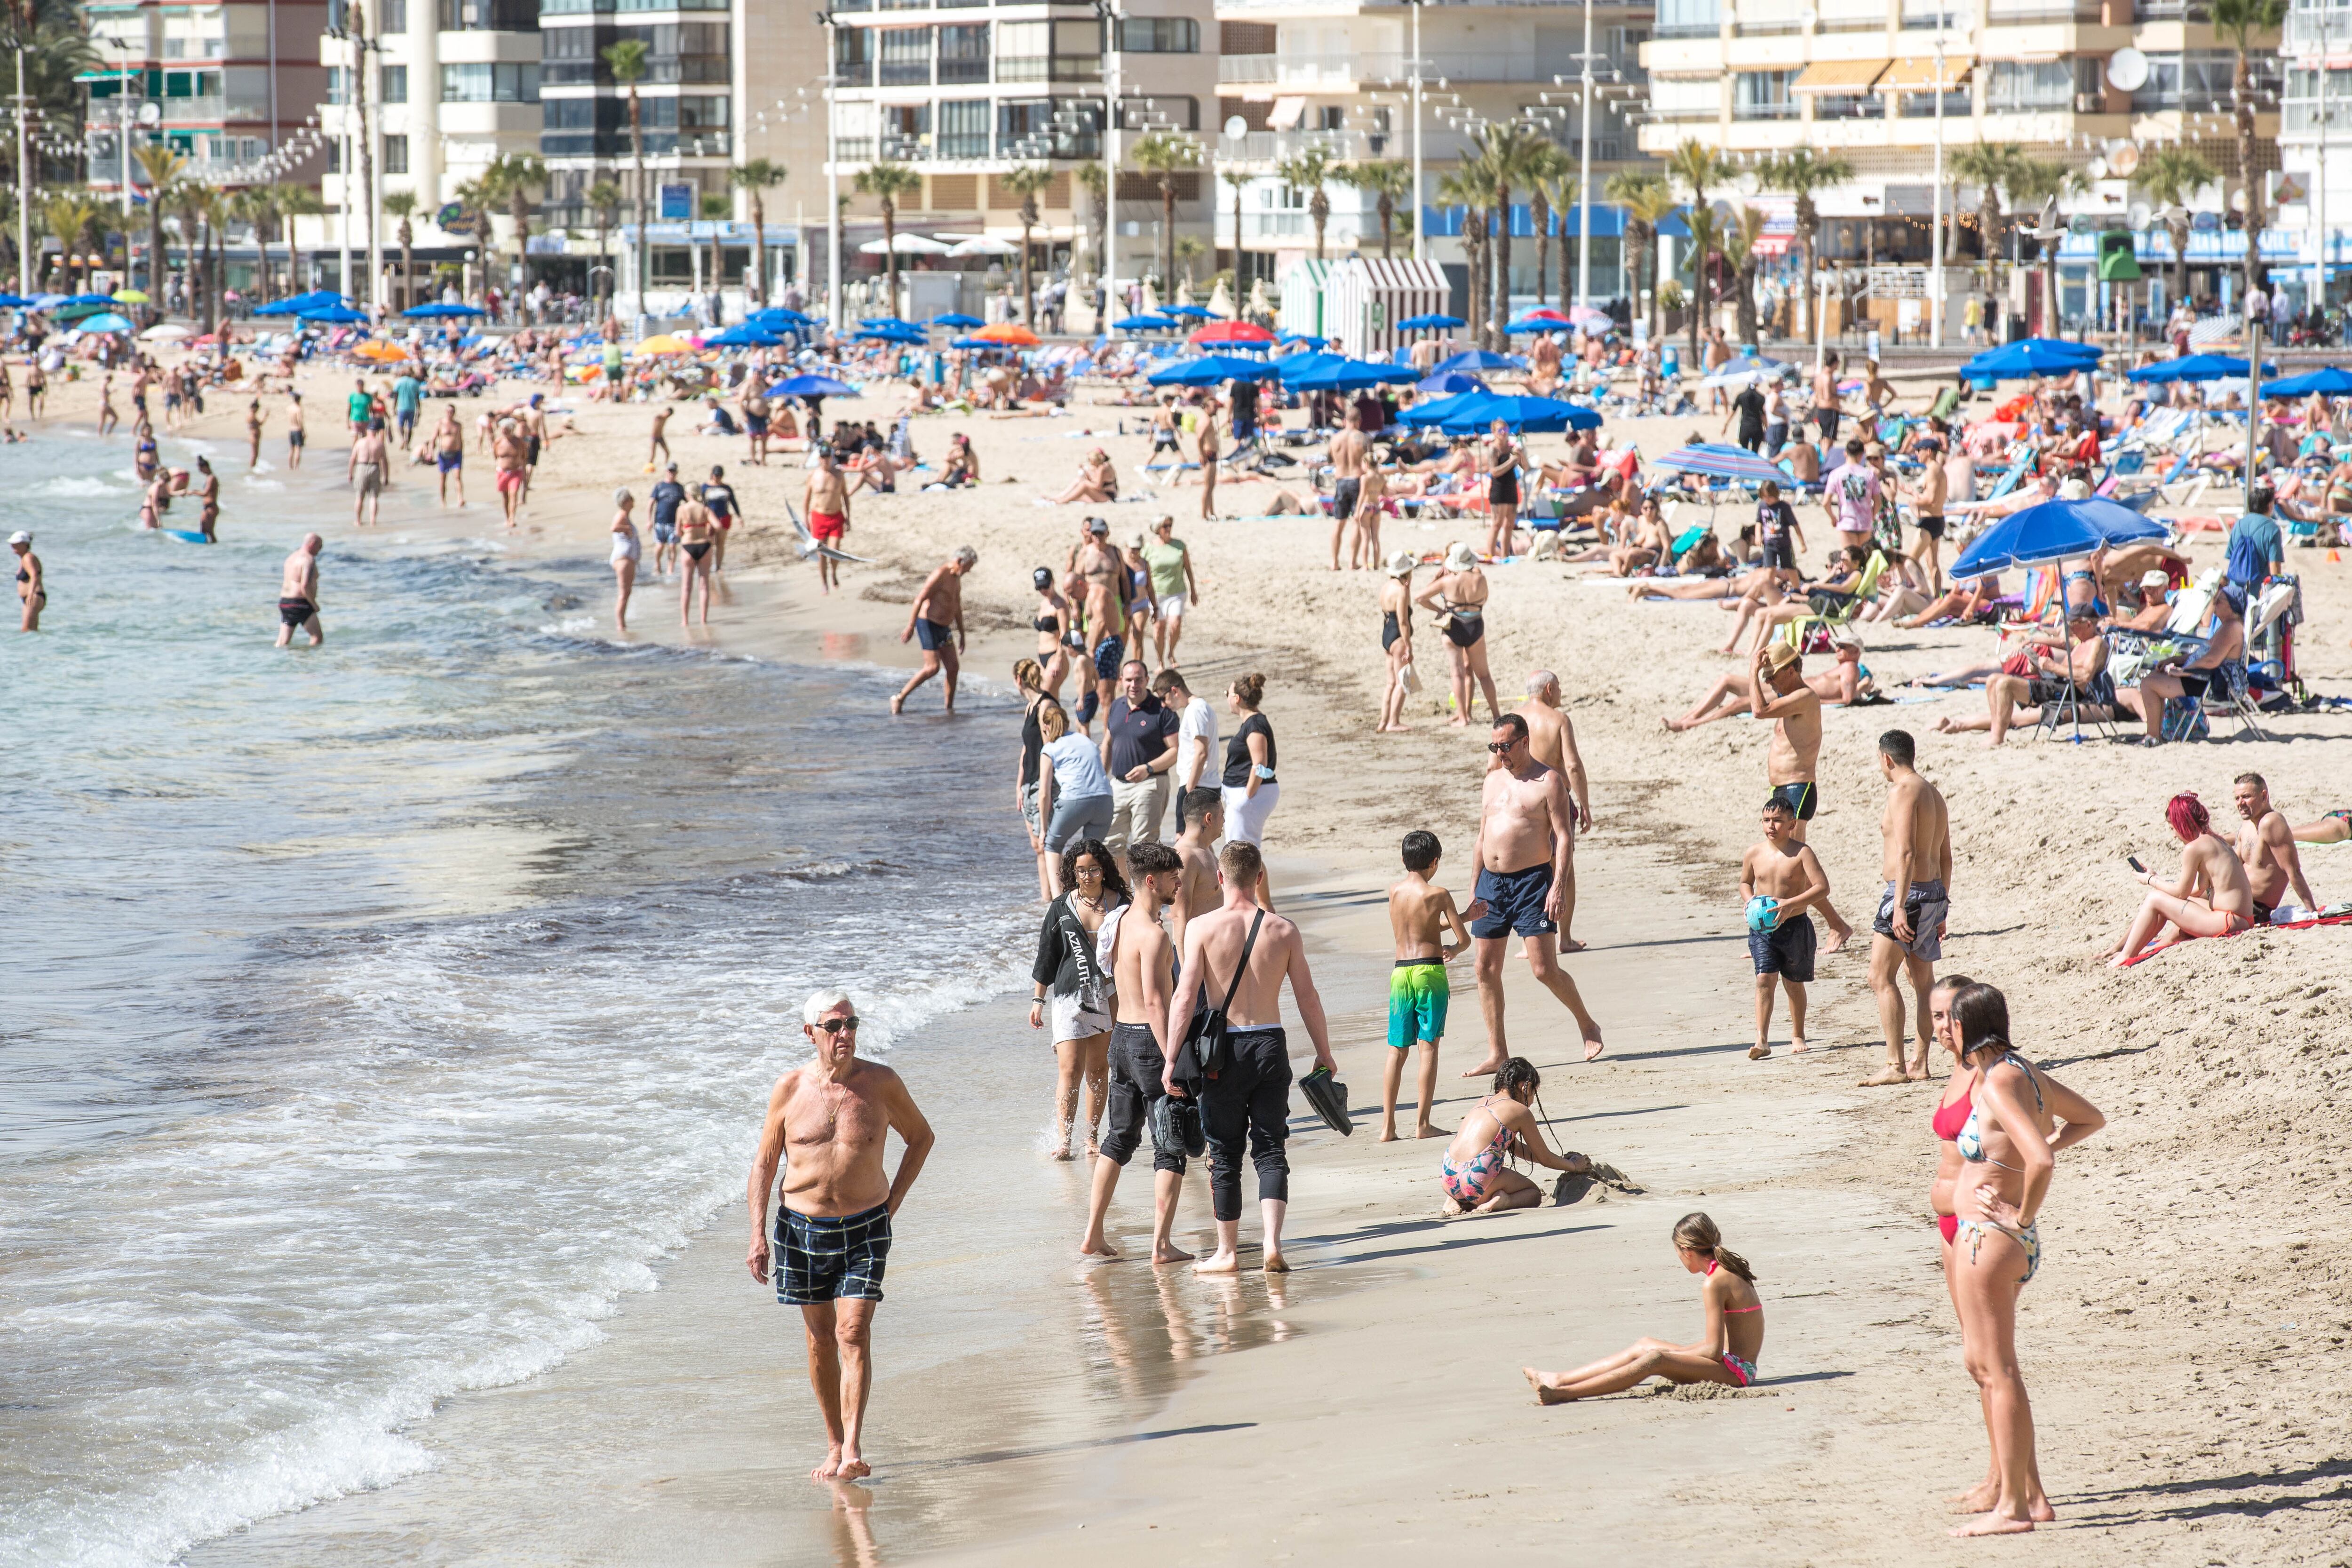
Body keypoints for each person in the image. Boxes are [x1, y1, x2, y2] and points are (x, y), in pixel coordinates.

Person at [743, 991, 935, 1483]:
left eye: (851, 1023)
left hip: (866, 1226)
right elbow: (765, 1164)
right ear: (811, 1033)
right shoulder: (788, 1089)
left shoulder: (881, 1083)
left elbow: (921, 1137)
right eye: (833, 1026)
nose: (845, 1033)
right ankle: (832, 1443)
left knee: (852, 1332)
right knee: (819, 1340)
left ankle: (852, 1447)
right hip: (801, 1228)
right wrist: (757, 1235)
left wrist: (892, 1205)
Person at [1941, 983, 2098, 1536]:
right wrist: (2026, 1168)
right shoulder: (2022, 1070)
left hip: (1991, 1236)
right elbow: (2088, 1119)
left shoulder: (1999, 1080)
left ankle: (2013, 1508)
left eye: (1949, 1024)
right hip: (2000, 1239)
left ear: (1967, 1027)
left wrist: (2020, 1213)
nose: (1945, 1033)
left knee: (1995, 1370)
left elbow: (2038, 1159)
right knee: (1988, 1366)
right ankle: (2030, 1497)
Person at [1163, 839, 1336, 1274]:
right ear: (1259, 877)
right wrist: (1324, 1052)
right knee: (1271, 1148)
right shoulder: (1283, 929)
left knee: (1224, 1153)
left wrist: (1170, 1059)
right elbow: (1307, 997)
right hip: (1271, 1044)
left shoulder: (1201, 929)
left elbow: (1185, 998)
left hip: (1224, 1052)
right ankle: (1272, 1244)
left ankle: (1227, 1253)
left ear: (1220, 878)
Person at [1465, 713, 1605, 1070]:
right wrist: (1473, 888)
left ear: (1524, 742)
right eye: (1494, 746)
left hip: (1532, 883)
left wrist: (1557, 885)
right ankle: (1497, 1052)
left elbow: (1564, 837)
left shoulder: (1548, 781)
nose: (1500, 753)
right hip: (1491, 885)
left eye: (1506, 746)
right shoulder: (1492, 780)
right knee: (1485, 967)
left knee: (1543, 968)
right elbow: (1482, 836)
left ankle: (1587, 1023)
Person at [1080, 841, 1191, 1261]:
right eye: (1172, 877)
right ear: (1151, 881)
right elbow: (1157, 1003)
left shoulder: (1121, 919)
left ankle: (1093, 1234)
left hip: (1121, 1037)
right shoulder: (1156, 935)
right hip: (1149, 1039)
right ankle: (1161, 1245)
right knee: (1170, 1142)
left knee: (1119, 1139)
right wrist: (1171, 1062)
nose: (1179, 883)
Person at [1523, 1213, 1764, 1401]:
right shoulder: (1725, 1270)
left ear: (1687, 1251)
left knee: (1655, 1359)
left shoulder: (1714, 1282)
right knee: (1646, 1345)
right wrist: (1674, 1355)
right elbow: (1715, 1348)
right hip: (1729, 1362)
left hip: (1737, 1373)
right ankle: (1559, 1379)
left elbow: (1712, 1351)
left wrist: (1668, 1357)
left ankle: (1565, 1393)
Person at [1863, 730, 1952, 1086]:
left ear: (1886, 759)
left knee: (1880, 976)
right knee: (1922, 981)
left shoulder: (1902, 791)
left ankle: (1895, 1064)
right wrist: (1942, 906)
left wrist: (1898, 905)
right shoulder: (1934, 793)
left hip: (1908, 894)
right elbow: (1946, 858)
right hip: (1932, 894)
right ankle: (1921, 1062)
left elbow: (1906, 853)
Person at [1028, 838, 1125, 1160]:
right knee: (1070, 1069)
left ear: (1104, 869)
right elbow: (1047, 955)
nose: (1088, 876)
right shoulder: (1061, 906)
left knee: (1099, 1070)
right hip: (1070, 995)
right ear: (1073, 872)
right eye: (1081, 871)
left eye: (1094, 869)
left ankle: (1092, 1137)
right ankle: (1065, 1139)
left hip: (1108, 993)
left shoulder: (1120, 902)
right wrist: (1037, 1000)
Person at [1385, 830, 1479, 1142]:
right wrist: (1455, 946)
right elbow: (1463, 939)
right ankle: (1423, 1124)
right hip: (1430, 974)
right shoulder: (1439, 894)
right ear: (1434, 862)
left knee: (1397, 1051)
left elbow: (1418, 924)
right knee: (1428, 1048)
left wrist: (1461, 916)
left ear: (1403, 860)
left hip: (1401, 974)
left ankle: (1388, 1127)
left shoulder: (1394, 892)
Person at [2105, 792, 2259, 964]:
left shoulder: (2194, 848)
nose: (2174, 835)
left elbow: (2181, 894)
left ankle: (2125, 956)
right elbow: (2199, 889)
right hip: (2242, 919)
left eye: (2172, 828)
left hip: (2229, 921)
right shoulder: (2215, 840)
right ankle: (2126, 949)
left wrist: (2150, 881)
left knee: (2154, 898)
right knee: (2162, 897)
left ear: (2181, 823)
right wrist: (2158, 879)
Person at [1437, 1056, 1589, 1215]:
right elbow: (1545, 1159)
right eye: (1533, 1093)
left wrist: (1561, 1160)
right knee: (1533, 1194)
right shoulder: (1520, 1111)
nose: (1531, 1101)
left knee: (1472, 1186)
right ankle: (1503, 1200)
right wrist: (1574, 1166)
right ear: (1525, 1087)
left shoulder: (1483, 1101)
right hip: (1475, 1178)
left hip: (1448, 1175)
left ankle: (1455, 1200)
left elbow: (1516, 1148)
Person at [1741, 795, 1830, 1059]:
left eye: (1778, 821)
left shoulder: (1802, 852)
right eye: (1767, 820)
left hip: (1795, 926)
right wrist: (1750, 902)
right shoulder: (1754, 853)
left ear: (1792, 824)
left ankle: (1798, 1033)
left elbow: (1822, 887)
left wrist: (1790, 903)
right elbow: (1745, 882)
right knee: (1764, 979)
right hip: (1763, 929)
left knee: (1793, 984)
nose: (1772, 826)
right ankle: (1762, 1039)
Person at [2114, 582, 2247, 746]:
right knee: (2154, 678)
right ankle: (2156, 734)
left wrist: (2184, 671)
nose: (2214, 604)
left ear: (2232, 606)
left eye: (2219, 601)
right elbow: (2204, 655)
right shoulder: (2227, 627)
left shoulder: (2232, 628)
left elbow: (2212, 660)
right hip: (2205, 677)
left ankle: (2153, 736)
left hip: (2215, 683)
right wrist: (2174, 660)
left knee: (2149, 683)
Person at [1417, 542, 1502, 728]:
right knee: (1484, 675)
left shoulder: (1447, 581)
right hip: (1475, 625)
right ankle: (1497, 715)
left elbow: (1420, 598)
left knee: (1457, 674)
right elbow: (1484, 599)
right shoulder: (1480, 579)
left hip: (1453, 626)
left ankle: (1463, 717)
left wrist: (1440, 610)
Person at [1100, 658, 1179, 850]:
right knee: (1110, 844)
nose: (1133, 685)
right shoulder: (1116, 707)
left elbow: (1176, 751)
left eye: (1138, 680)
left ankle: (1144, 882)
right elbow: (1108, 743)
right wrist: (1100, 778)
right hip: (1118, 785)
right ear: (1121, 680)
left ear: (1147, 680)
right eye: (1129, 680)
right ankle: (1122, 883)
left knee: (1144, 845)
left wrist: (1148, 768)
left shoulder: (1161, 711)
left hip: (1150, 784)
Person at [890, 546, 976, 715]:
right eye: (968, 567)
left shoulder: (956, 577)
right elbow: (920, 599)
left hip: (944, 628)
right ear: (960, 562)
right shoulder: (940, 574)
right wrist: (911, 626)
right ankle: (899, 697)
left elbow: (957, 606)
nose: (968, 571)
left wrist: (963, 635)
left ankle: (949, 709)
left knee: (953, 667)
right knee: (932, 668)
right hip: (927, 624)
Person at [1219, 672, 1279, 905]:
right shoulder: (1251, 723)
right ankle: (1259, 904)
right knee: (1244, 851)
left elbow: (1261, 765)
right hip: (1245, 794)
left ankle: (1256, 905)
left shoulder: (1255, 724)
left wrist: (1246, 797)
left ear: (1237, 699)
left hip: (1252, 795)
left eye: (1227, 694)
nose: (1226, 698)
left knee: (1241, 853)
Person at [1034, 702, 1114, 867]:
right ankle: (1089, 892)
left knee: (1052, 846)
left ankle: (1058, 893)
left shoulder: (1050, 748)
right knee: (1091, 851)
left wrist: (1043, 830)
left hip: (1075, 800)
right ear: (1068, 723)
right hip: (1105, 799)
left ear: (1045, 727)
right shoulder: (1085, 740)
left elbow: (1043, 794)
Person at [1013, 659, 1060, 899]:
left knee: (1047, 845)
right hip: (1029, 783)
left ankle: (1055, 899)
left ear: (1018, 680)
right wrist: (1019, 786)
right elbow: (1026, 749)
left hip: (1044, 784)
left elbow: (1052, 748)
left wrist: (1044, 786)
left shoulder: (1045, 706)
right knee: (1037, 846)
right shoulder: (1030, 707)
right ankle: (1046, 899)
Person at [1154, 669, 1217, 836]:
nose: (1163, 704)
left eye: (1163, 698)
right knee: (1199, 842)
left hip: (1197, 784)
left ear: (1174, 691)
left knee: (1184, 840)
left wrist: (1190, 788)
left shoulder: (1196, 710)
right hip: (1201, 783)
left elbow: (1202, 752)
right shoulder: (1198, 708)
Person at [1140, 514, 1197, 665]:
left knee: (1176, 623)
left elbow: (1188, 569)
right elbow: (1141, 570)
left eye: (1170, 525)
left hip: (1177, 591)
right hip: (1156, 593)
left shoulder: (1180, 545)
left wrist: (1193, 591)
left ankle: (1171, 653)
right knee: (1159, 627)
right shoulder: (1148, 548)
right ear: (1158, 529)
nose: (1169, 529)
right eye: (1165, 526)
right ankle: (1160, 662)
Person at [1378, 551, 1417, 733]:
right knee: (1404, 680)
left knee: (1390, 683)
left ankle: (1383, 722)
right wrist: (1408, 645)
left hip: (1387, 633)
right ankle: (1393, 722)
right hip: (1398, 636)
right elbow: (1403, 621)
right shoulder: (1401, 590)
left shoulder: (1387, 587)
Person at [1328, 407, 1371, 571]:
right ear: (1359, 421)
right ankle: (1353, 562)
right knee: (1357, 522)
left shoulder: (1335, 439)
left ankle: (1334, 562)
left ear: (1345, 421)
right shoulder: (1364, 438)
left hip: (1340, 481)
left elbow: (1330, 459)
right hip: (1356, 480)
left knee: (1339, 523)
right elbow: (1369, 463)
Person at [805, 446, 851, 596]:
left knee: (834, 551)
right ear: (819, 459)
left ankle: (834, 573)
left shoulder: (839, 474)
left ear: (832, 458)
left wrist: (849, 517)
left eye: (828, 457)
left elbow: (845, 496)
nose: (825, 460)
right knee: (821, 553)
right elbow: (807, 500)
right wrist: (806, 519)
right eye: (823, 457)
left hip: (836, 516)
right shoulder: (813, 475)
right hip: (819, 517)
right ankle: (824, 583)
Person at [675, 486, 719, 627]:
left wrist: (685, 531)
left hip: (688, 546)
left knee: (687, 587)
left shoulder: (682, 509)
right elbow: (718, 525)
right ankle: (703, 620)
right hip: (704, 546)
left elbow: (678, 532)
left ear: (688, 494)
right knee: (704, 585)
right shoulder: (705, 509)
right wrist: (710, 532)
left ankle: (685, 621)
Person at [275, 534, 324, 648]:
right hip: (301, 603)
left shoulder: (291, 558)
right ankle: (307, 662)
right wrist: (313, 604)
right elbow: (305, 584)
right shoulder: (308, 560)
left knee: (282, 642)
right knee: (317, 637)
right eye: (320, 547)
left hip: (285, 602)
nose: (320, 550)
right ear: (313, 544)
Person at [1483, 420, 1522, 558]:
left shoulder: (1512, 449)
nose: (1504, 433)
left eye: (1506, 429)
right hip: (1499, 489)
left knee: (1510, 525)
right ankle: (1491, 554)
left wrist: (1521, 456)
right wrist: (1510, 462)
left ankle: (1505, 555)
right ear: (1494, 433)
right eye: (1500, 430)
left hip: (1511, 487)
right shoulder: (1493, 449)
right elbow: (1494, 472)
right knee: (1497, 524)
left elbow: (1527, 468)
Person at [608, 487, 642, 631]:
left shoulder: (625, 515)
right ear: (626, 501)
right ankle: (620, 625)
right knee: (624, 593)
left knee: (626, 592)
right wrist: (627, 530)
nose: (634, 501)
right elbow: (614, 528)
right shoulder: (621, 515)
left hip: (627, 558)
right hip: (623, 558)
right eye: (631, 499)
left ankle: (622, 623)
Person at [702, 464, 744, 572]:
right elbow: (701, 504)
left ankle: (718, 567)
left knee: (721, 543)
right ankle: (708, 566)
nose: (717, 478)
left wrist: (739, 516)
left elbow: (733, 502)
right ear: (712, 475)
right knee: (710, 543)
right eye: (716, 476)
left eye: (719, 476)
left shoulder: (727, 488)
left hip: (724, 516)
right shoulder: (705, 487)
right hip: (710, 518)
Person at [492, 418, 528, 528]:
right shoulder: (498, 442)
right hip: (502, 472)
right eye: (503, 429)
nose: (504, 431)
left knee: (513, 494)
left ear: (511, 429)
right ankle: (507, 518)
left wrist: (524, 474)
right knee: (505, 497)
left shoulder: (519, 442)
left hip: (516, 472)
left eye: (506, 429)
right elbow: (496, 456)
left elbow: (524, 457)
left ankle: (512, 518)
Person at [351, 422, 388, 527]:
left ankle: (358, 521)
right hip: (375, 467)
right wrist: (386, 476)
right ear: (376, 432)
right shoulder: (380, 444)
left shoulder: (360, 442)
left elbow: (353, 459)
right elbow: (385, 461)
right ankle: (373, 521)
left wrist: (350, 473)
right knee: (373, 497)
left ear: (367, 431)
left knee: (359, 496)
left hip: (361, 467)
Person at [429, 403, 463, 507]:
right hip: (444, 454)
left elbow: (460, 439)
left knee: (457, 477)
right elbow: (433, 439)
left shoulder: (458, 425)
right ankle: (443, 501)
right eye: (448, 411)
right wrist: (430, 452)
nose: (450, 413)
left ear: (454, 412)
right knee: (443, 479)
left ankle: (460, 498)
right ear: (445, 412)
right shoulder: (440, 424)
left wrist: (462, 452)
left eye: (452, 411)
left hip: (456, 454)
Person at [11, 530, 43, 632]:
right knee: (29, 631)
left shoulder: (28, 557)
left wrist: (30, 593)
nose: (13, 545)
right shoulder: (24, 558)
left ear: (25, 544)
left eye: (16, 543)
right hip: (29, 598)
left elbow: (34, 575)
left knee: (27, 631)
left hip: (33, 597)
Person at [647, 402, 673, 469]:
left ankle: (666, 465)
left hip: (661, 437)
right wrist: (664, 413)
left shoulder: (665, 418)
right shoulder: (659, 417)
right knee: (653, 455)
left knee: (667, 452)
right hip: (654, 438)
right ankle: (649, 467)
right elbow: (657, 416)